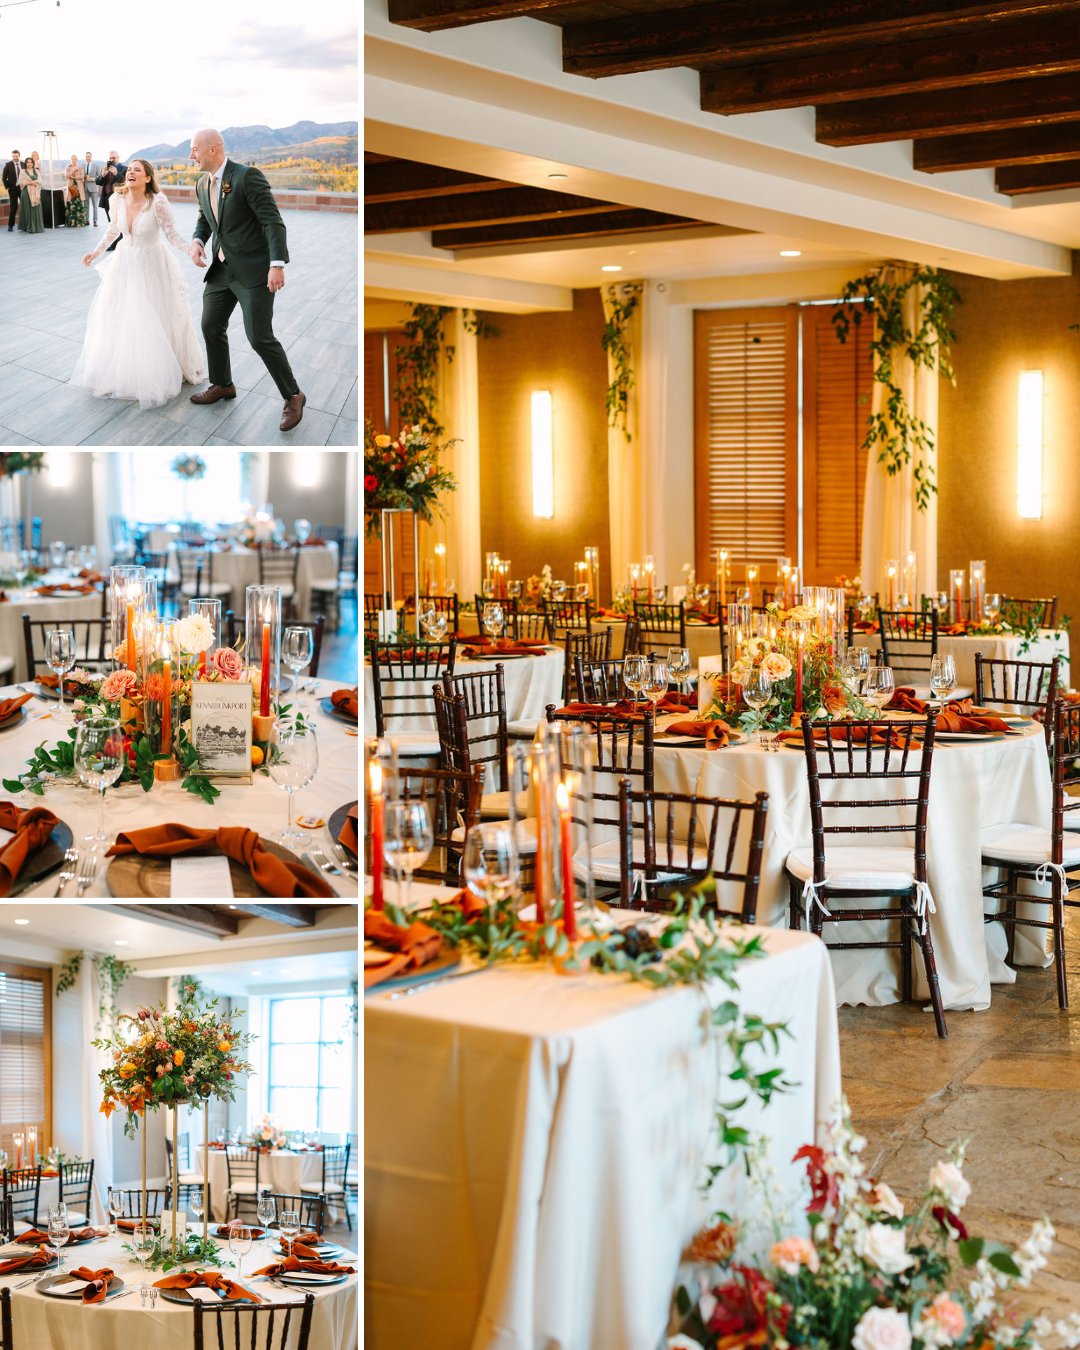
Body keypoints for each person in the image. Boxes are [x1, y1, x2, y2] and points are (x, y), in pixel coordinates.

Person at [187, 128, 305, 431]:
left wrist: (276, 264)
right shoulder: (202, 184)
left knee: (259, 337)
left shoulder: (247, 176)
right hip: (221, 271)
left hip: (254, 271)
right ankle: (222, 384)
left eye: (195, 149)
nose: (191, 156)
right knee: (210, 325)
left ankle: (293, 395)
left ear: (213, 149)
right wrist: (198, 241)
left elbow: (271, 221)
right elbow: (205, 218)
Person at [70, 159, 206, 409]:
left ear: (147, 178)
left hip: (151, 264)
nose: (131, 173)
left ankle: (158, 368)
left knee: (153, 315)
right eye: (129, 170)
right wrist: (95, 252)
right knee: (119, 314)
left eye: (137, 170)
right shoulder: (116, 200)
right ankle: (124, 368)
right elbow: (112, 230)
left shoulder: (158, 202)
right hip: (124, 262)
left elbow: (171, 234)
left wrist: (191, 251)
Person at [18, 153, 43, 233]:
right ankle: (28, 226)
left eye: (31, 162)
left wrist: (34, 182)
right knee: (28, 209)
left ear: (33, 163)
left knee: (36, 208)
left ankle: (36, 226)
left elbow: (40, 181)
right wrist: (30, 183)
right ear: (25, 163)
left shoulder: (36, 171)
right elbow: (21, 182)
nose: (30, 163)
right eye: (28, 162)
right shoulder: (22, 171)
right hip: (26, 192)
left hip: (35, 192)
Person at [64, 154, 88, 228]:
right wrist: (73, 171)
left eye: (75, 159)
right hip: (71, 187)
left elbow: (82, 176)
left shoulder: (80, 167)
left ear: (77, 160)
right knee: (71, 203)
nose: (74, 160)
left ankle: (80, 222)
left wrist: (74, 177)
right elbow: (66, 176)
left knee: (79, 204)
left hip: (78, 187)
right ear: (70, 160)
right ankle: (71, 222)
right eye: (72, 159)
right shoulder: (68, 167)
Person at [2, 150, 19, 231]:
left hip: (22, 189)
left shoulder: (23, 164)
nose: (15, 158)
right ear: (12, 156)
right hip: (12, 189)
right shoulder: (8, 165)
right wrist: (7, 187)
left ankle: (26, 224)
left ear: (19, 156)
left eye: (16, 156)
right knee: (13, 207)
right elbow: (4, 178)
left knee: (26, 206)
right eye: (14, 156)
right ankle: (10, 226)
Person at [83, 151, 99, 225]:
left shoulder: (96, 166)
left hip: (94, 188)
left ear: (91, 157)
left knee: (95, 206)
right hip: (85, 188)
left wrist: (92, 179)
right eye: (86, 157)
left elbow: (99, 177)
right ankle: (86, 220)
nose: (87, 158)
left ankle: (95, 221)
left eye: (88, 156)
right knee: (86, 206)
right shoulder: (83, 165)